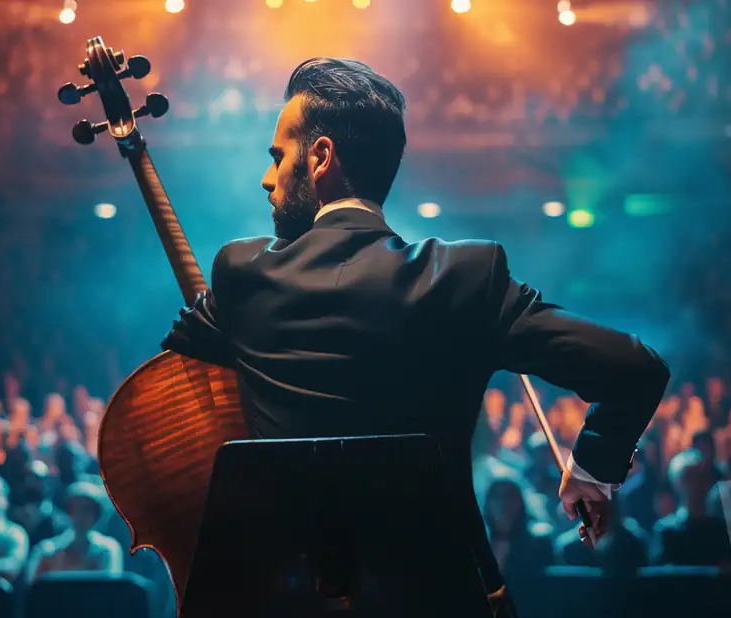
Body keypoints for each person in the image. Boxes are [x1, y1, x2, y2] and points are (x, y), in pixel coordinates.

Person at [161, 57, 669, 614]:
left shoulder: (242, 273)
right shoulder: (464, 278)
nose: (267, 178)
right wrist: (591, 467)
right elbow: (636, 369)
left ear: (321, 157)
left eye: (278, 157)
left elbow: (177, 369)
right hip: (440, 598)